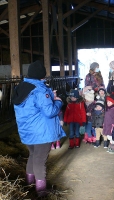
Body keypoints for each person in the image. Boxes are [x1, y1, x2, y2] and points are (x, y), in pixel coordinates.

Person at [12, 60, 66, 197]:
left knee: (33, 156)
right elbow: (49, 112)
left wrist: (49, 98)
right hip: (41, 132)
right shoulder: (39, 90)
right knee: (40, 161)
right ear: (41, 75)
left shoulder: (21, 87)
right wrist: (58, 102)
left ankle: (29, 184)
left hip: (27, 132)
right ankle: (41, 191)